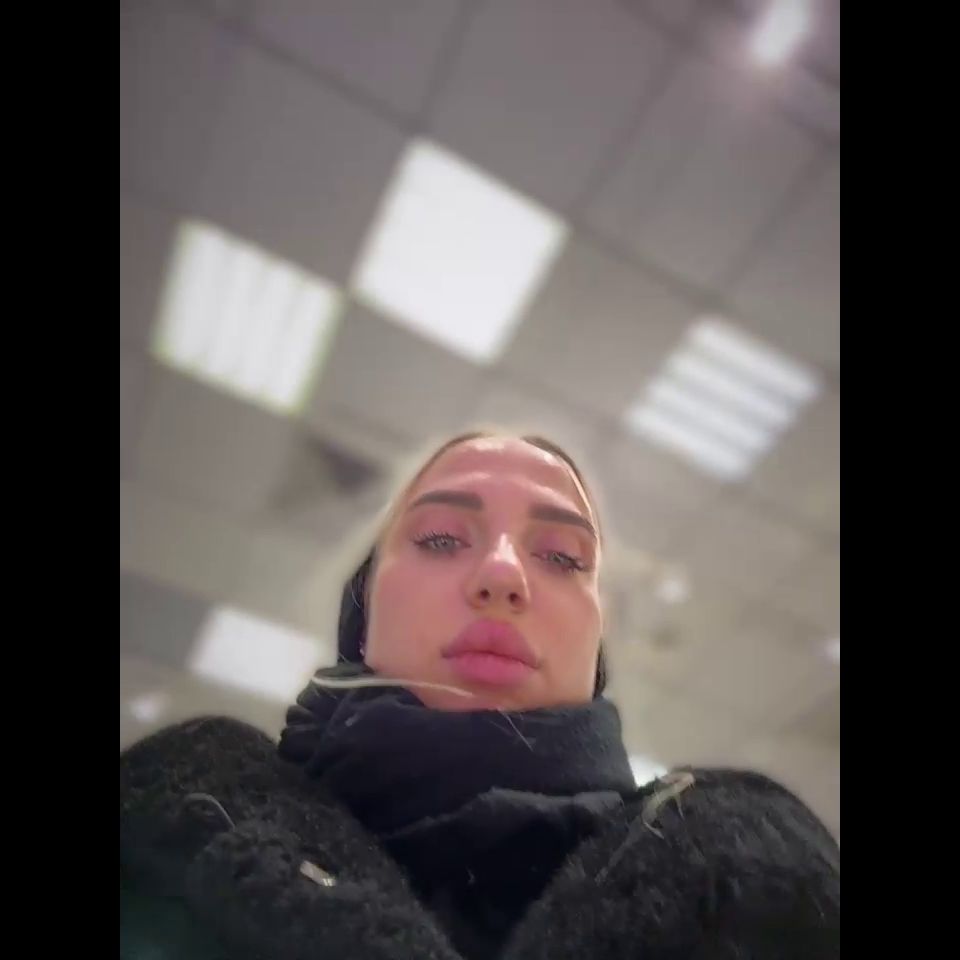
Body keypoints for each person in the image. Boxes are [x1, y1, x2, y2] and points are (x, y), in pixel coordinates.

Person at [119, 431, 840, 960]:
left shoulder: (767, 893)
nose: (503, 575)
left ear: (594, 650)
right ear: (362, 613)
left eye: (562, 557)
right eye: (439, 539)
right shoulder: (150, 840)